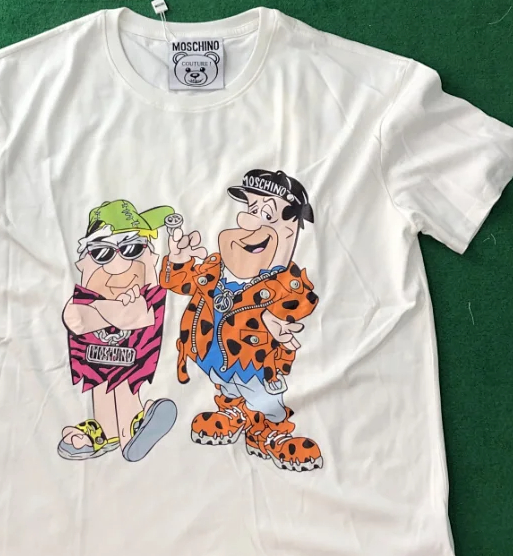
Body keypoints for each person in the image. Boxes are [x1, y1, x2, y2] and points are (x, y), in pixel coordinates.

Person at [160, 170, 322, 472]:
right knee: (227, 386)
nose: (247, 220)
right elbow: (180, 284)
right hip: (212, 353)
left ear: (290, 229)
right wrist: (179, 260)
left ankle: (270, 432)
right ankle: (234, 413)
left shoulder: (283, 281)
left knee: (263, 396)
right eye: (250, 209)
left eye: (266, 214)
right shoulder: (217, 266)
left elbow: (302, 298)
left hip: (255, 360)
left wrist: (275, 316)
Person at [58, 199, 177, 462]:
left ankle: (130, 425)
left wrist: (103, 312)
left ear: (151, 256)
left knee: (125, 382)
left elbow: (140, 316)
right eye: (102, 253)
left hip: (132, 354)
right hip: (95, 355)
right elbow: (75, 318)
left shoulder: (149, 296)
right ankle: (107, 430)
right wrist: (115, 310)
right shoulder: (82, 299)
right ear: (83, 262)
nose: (120, 264)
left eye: (132, 249)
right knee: (99, 382)